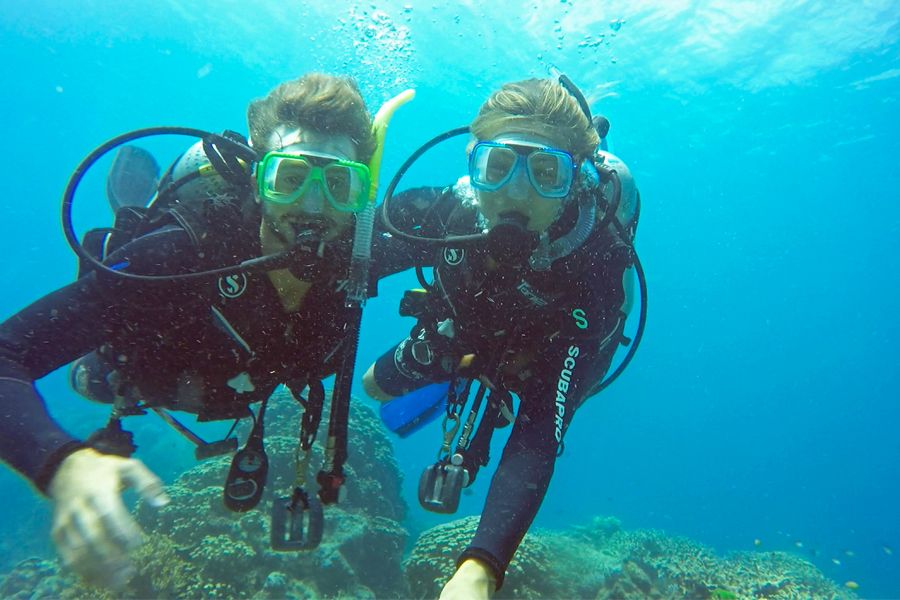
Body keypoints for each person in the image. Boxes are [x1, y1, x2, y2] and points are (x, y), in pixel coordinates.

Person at [0, 73, 419, 588]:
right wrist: (57, 463)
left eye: (337, 184)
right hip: (155, 376)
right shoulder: (180, 255)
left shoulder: (362, 252)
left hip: (244, 383)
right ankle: (129, 220)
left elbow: (466, 213)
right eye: (289, 178)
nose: (313, 207)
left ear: (362, 191)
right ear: (257, 181)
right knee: (93, 380)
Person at [363, 76, 642, 599]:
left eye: (544, 172)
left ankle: (491, 395)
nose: (516, 192)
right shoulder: (452, 213)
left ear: (577, 177)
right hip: (467, 335)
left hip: (556, 357)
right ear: (474, 165)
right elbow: (351, 250)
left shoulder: (593, 264)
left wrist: (480, 567)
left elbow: (541, 435)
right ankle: (474, 378)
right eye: (497, 168)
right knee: (373, 385)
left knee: (532, 406)